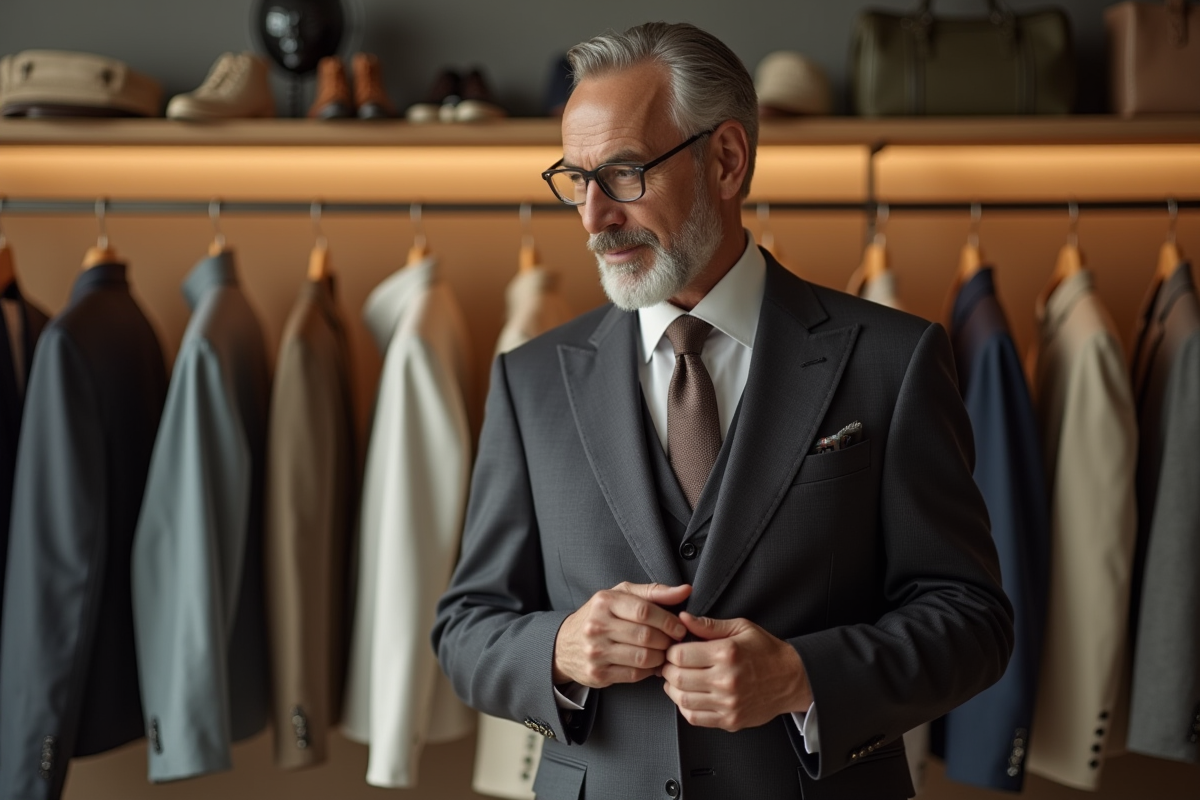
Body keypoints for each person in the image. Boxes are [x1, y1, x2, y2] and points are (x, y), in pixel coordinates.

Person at [433, 21, 1013, 800]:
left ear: (728, 159)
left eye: (626, 173)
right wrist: (562, 648)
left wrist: (805, 679)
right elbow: (467, 627)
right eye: (576, 179)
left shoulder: (891, 359)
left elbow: (972, 619)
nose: (593, 216)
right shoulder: (530, 381)